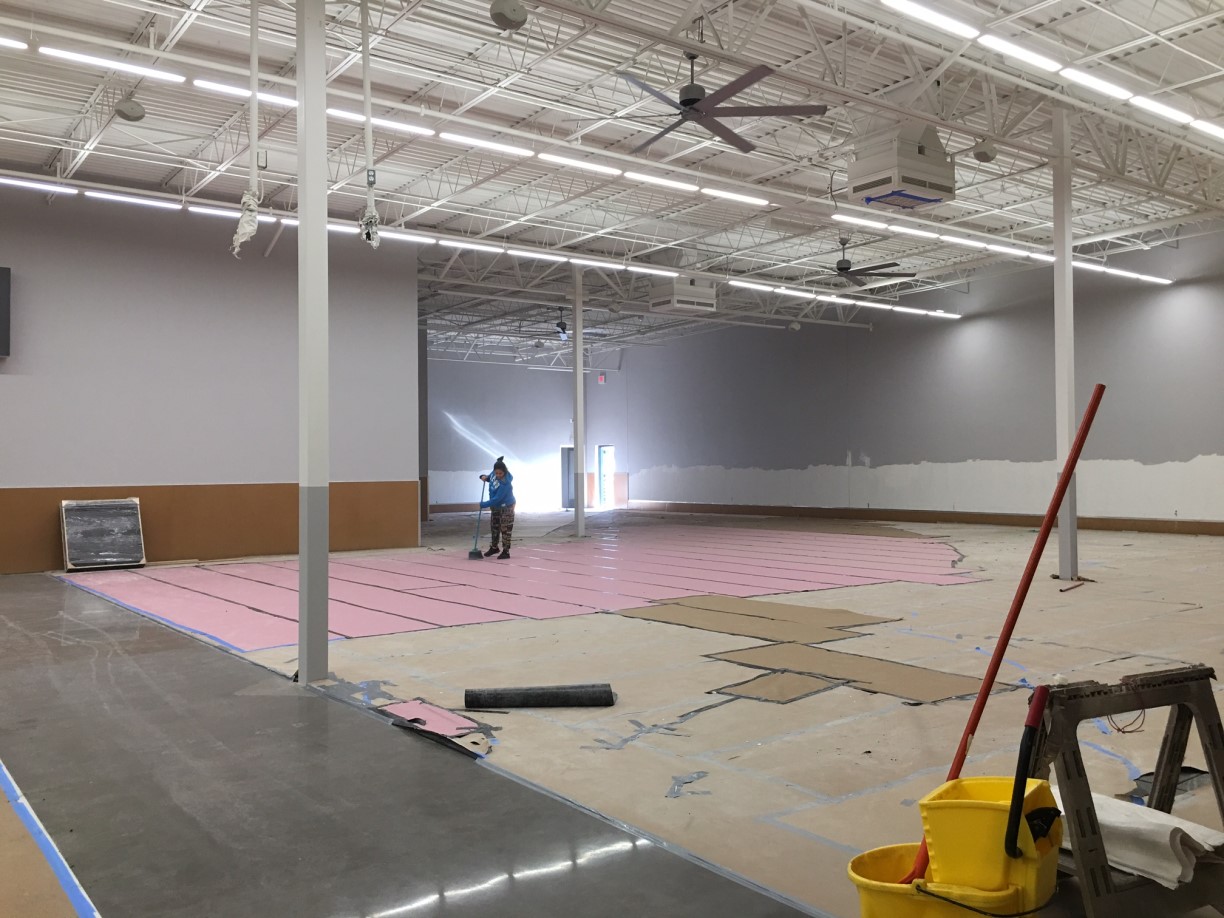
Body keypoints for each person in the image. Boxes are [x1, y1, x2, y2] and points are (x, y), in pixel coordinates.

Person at [479, 457, 516, 559]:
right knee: (494, 527)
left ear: (505, 472)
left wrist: (484, 504)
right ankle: (494, 547)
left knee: (505, 528)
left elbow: (497, 499)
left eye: (501, 473)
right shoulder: (494, 474)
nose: (498, 475)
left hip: (507, 506)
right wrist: (483, 477)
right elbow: (491, 478)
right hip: (496, 507)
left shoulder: (505, 483)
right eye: (497, 473)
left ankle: (506, 551)